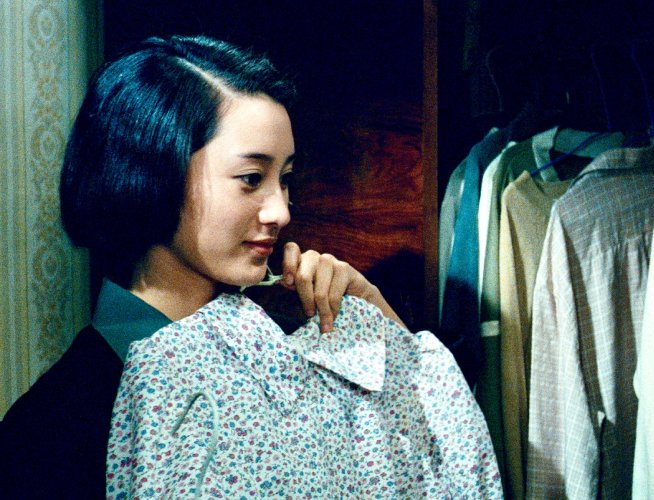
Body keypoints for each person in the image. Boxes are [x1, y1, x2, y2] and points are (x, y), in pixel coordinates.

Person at [0, 35, 407, 498]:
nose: (281, 212)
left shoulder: (290, 354)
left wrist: (372, 309)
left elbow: (420, 465)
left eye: (285, 179)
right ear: (153, 173)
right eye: (251, 178)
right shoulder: (52, 430)